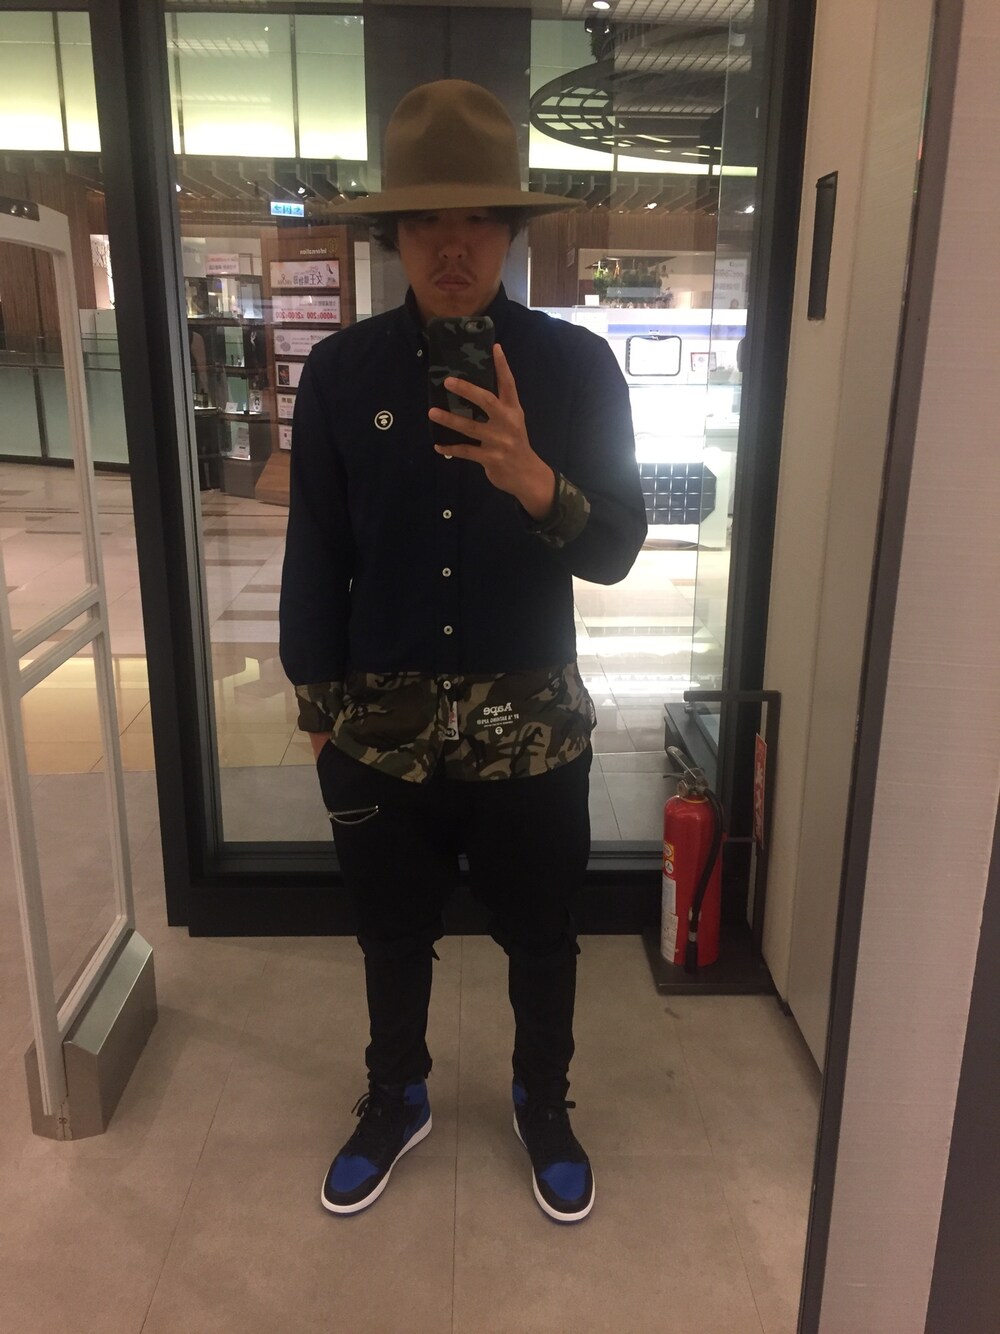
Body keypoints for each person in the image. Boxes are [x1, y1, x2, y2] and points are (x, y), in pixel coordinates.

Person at [279, 79, 646, 1224]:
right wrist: (318, 711)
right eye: (427, 220)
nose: (453, 245)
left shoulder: (577, 367)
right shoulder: (341, 373)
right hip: (379, 729)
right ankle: (397, 1095)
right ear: (393, 232)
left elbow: (618, 547)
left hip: (531, 728)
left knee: (543, 937)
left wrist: (536, 481)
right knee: (390, 934)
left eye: (478, 218)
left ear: (511, 230)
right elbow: (315, 546)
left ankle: (544, 1100)